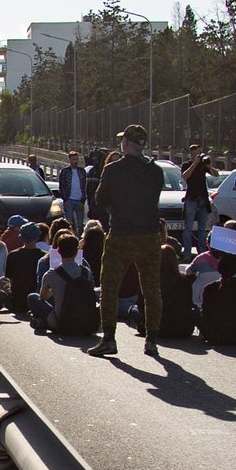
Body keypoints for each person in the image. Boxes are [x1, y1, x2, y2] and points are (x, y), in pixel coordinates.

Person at [88, 125, 167, 359]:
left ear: (126, 144)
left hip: (121, 233)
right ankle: (152, 340)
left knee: (110, 287)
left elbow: (100, 200)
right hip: (149, 234)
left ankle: (109, 339)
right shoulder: (155, 171)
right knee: (151, 288)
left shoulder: (113, 169)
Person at [29, 231, 99, 334]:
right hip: (85, 321)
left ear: (58, 251)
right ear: (77, 251)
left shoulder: (51, 273)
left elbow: (43, 297)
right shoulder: (86, 272)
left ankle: (43, 322)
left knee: (32, 297)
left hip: (62, 323)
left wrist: (54, 291)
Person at [180, 144, 214, 243]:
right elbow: (185, 176)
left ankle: (202, 252)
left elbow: (216, 174)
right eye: (197, 152)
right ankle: (187, 254)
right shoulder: (186, 165)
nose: (199, 155)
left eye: (200, 152)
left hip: (203, 198)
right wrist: (194, 163)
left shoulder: (203, 165)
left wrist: (209, 166)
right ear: (191, 152)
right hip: (191, 198)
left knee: (202, 229)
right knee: (188, 228)